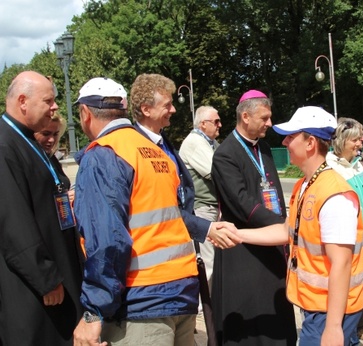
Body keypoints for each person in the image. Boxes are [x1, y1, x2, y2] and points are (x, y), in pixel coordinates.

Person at [72, 77, 238, 345]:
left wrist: (94, 311)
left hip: (143, 303)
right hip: (180, 292)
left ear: (85, 113)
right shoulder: (156, 152)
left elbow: (106, 241)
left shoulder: (104, 154)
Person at [237, 106, 363, 345]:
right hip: (317, 307)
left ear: (310, 143)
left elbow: (342, 262)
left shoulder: (334, 194)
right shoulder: (306, 185)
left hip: (331, 312)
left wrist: (334, 327)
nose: (285, 142)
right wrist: (238, 234)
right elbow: (288, 231)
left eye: (291, 136)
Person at [0, 71, 83, 345]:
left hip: (58, 275)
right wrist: (45, 277)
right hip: (35, 289)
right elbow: (12, 221)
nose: (55, 106)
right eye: (48, 100)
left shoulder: (25, 141)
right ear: (23, 101)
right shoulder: (5, 145)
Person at [211, 89, 297, 345]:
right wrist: (282, 226)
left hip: (271, 242)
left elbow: (276, 194)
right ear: (246, 116)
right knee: (250, 316)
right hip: (243, 250)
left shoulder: (265, 149)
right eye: (265, 117)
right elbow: (241, 203)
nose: (270, 123)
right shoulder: (225, 154)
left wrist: (281, 226)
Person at [130, 73, 239, 247]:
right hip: (155, 253)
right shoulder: (134, 148)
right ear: (146, 110)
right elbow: (162, 206)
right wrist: (206, 228)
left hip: (176, 243)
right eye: (167, 105)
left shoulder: (163, 142)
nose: (173, 110)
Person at [325, 117, 363, 343]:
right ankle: (346, 331)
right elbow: (350, 205)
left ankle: (353, 329)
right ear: (341, 140)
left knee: (357, 286)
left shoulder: (358, 164)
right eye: (356, 138)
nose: (362, 141)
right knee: (346, 289)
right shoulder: (332, 167)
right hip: (346, 238)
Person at [179, 105, 222, 293]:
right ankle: (208, 302)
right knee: (208, 259)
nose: (220, 125)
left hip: (210, 207)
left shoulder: (209, 142)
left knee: (212, 256)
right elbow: (217, 171)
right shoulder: (195, 142)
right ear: (203, 124)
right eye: (216, 121)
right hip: (202, 208)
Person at [34, 113, 71, 190]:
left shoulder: (52, 158)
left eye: (55, 134)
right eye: (46, 134)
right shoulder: (27, 160)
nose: (51, 139)